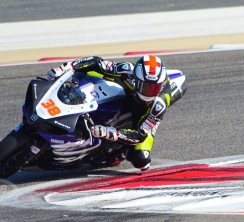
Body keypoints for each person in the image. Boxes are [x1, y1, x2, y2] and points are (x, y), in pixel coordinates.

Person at [47, 55, 186, 171]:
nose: (148, 92)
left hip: (144, 112)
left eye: (153, 88)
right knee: (87, 72)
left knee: (141, 160)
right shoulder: (127, 70)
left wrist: (109, 133)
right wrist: (67, 67)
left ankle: (121, 151)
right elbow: (96, 62)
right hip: (127, 92)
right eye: (145, 86)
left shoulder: (158, 105)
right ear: (136, 78)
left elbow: (140, 135)